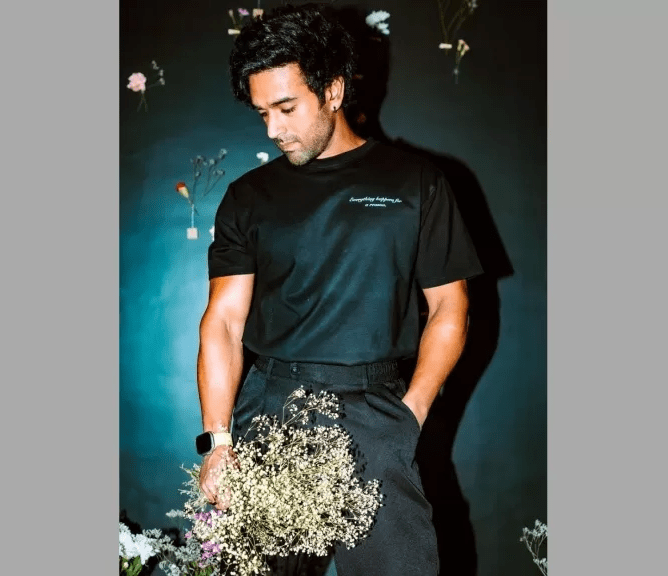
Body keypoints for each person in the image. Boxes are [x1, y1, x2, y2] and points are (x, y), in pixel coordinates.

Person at [194, 4, 482, 575]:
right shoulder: (249, 196)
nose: (273, 130)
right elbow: (224, 321)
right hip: (273, 411)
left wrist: (411, 413)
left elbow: (451, 306)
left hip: (375, 412)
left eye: (286, 108)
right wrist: (218, 441)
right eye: (262, 114)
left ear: (333, 90)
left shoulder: (416, 182)